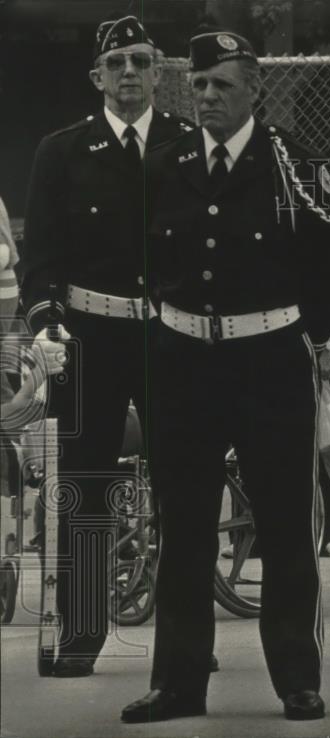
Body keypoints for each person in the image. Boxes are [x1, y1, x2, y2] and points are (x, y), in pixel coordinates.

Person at [120, 28, 330, 723]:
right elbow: (145, 262)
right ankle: (179, 683)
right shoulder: (166, 165)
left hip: (269, 363)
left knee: (284, 525)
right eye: (199, 85)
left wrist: (302, 337)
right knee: (184, 526)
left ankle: (296, 680)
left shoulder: (291, 164)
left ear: (255, 87)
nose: (209, 96)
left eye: (223, 84)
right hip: (185, 364)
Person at [19, 16, 193, 678]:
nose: (128, 72)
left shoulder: (186, 146)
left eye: (141, 61)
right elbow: (41, 259)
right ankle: (83, 631)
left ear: (159, 71)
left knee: (186, 483)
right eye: (116, 61)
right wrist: (45, 324)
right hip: (89, 339)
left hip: (171, 337)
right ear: (98, 75)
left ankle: (183, 637)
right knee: (86, 486)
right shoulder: (62, 152)